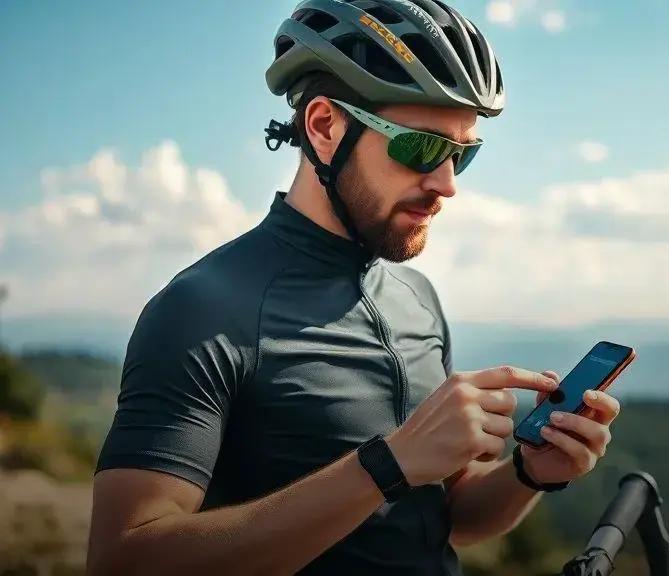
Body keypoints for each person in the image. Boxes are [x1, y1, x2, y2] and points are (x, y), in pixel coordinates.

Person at [86, 1, 621, 574]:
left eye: (462, 155)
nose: (446, 184)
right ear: (323, 126)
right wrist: (387, 465)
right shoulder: (200, 310)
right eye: (421, 147)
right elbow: (124, 558)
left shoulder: (418, 299)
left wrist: (529, 473)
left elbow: (442, 521)